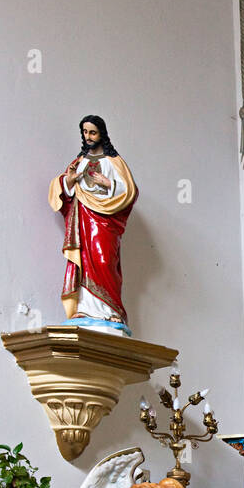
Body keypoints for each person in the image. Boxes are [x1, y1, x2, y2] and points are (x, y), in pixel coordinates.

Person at [48, 115, 137, 334]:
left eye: (93, 132)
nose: (88, 137)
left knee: (105, 260)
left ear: (102, 134)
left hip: (106, 222)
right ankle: (85, 309)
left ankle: (111, 309)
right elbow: (64, 191)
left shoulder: (114, 162)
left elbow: (130, 192)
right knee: (85, 261)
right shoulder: (79, 162)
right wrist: (68, 180)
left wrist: (108, 183)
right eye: (85, 132)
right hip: (83, 219)